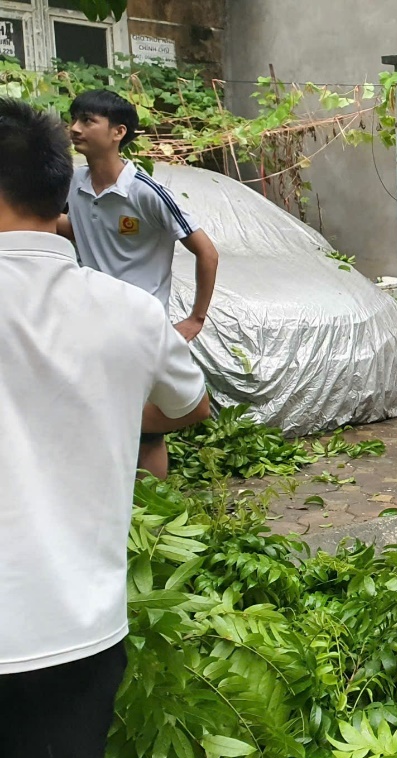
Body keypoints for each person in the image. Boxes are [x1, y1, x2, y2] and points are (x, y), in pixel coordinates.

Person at [0, 98, 211, 758]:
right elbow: (193, 405)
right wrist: (107, 408)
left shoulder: (145, 192)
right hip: (76, 632)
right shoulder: (127, 313)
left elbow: (200, 246)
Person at [59, 88, 220, 479]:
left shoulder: (145, 193)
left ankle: (151, 514)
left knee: (148, 428)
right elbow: (81, 230)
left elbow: (207, 252)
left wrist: (196, 319)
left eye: (87, 121)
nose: (75, 129)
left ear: (118, 132)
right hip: (91, 321)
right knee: (100, 412)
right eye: (74, 119)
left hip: (139, 326)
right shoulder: (73, 184)